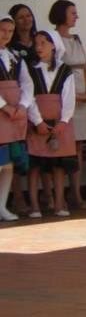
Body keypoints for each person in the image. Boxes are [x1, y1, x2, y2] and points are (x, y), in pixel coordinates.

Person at [26, 30, 76, 218]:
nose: (38, 47)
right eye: (36, 43)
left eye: (43, 43)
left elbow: (69, 98)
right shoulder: (31, 69)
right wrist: (38, 121)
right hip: (37, 123)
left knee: (58, 166)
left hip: (59, 123)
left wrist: (63, 121)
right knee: (35, 166)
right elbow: (29, 97)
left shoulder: (65, 70)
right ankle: (34, 206)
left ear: (53, 45)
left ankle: (59, 204)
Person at [50, 0, 86, 209]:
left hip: (83, 98)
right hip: (65, 97)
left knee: (78, 146)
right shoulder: (53, 38)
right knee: (61, 146)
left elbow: (85, 67)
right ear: (61, 14)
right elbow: (54, 72)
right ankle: (55, 194)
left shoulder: (76, 39)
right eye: (73, 13)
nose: (76, 16)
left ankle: (76, 191)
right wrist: (75, 96)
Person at [0, 15, 33, 221]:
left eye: (10, 31)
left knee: (8, 164)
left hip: (14, 115)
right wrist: (4, 106)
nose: (6, 34)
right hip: (2, 112)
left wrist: (23, 105)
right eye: (2, 30)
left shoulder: (15, 56)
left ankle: (1, 206)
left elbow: (27, 83)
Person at [8, 4, 37, 215]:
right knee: (15, 152)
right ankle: (17, 197)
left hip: (37, 100)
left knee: (36, 150)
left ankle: (41, 196)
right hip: (14, 105)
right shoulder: (11, 49)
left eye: (28, 15)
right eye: (20, 17)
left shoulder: (39, 41)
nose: (26, 20)